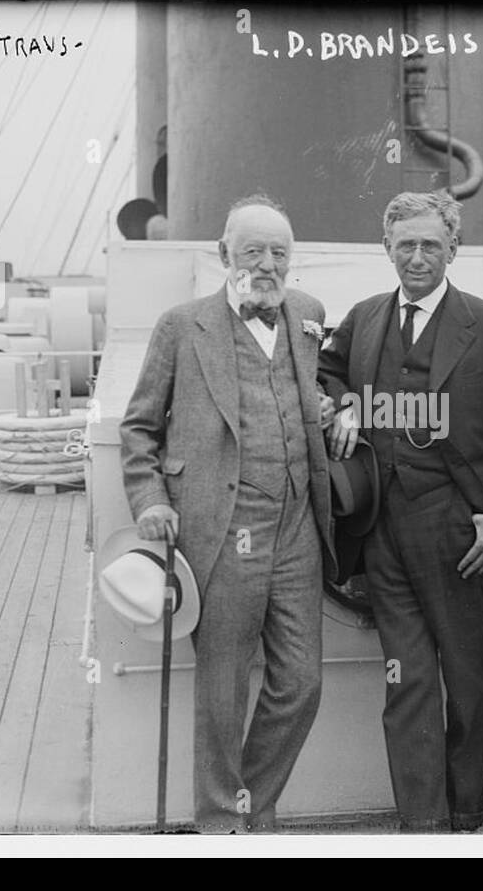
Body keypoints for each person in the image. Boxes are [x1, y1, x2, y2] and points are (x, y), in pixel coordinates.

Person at [119, 194, 337, 832]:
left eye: (279, 253)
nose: (267, 265)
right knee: (222, 691)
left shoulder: (308, 315)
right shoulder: (181, 327)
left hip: (297, 524)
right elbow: (138, 430)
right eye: (252, 252)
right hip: (222, 524)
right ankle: (221, 824)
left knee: (301, 683)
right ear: (223, 256)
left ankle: (254, 805)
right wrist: (152, 499)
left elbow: (326, 382)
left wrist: (337, 408)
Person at [318, 191, 483, 832]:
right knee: (405, 678)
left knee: (466, 678)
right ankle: (422, 823)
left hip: (461, 529)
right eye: (404, 244)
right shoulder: (364, 317)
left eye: (430, 244)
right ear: (387, 248)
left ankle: (466, 813)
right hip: (381, 529)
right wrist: (345, 402)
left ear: (453, 249)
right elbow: (324, 370)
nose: (416, 256)